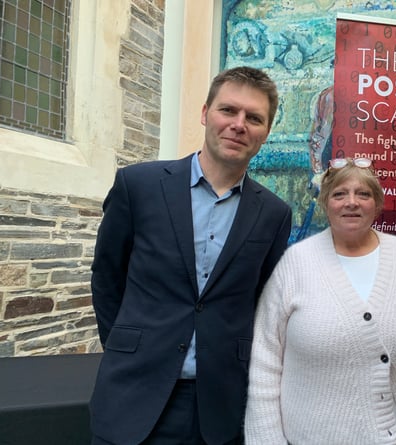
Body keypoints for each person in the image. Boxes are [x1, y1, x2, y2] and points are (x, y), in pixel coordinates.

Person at [89, 66, 292, 445]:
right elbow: (107, 278)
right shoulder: (139, 186)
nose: (238, 124)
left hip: (219, 407)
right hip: (133, 392)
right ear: (204, 113)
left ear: (266, 131)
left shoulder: (275, 214)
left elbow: (262, 301)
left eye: (254, 118)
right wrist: (129, 344)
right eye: (228, 110)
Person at [244, 157, 396, 445]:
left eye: (363, 194)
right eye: (339, 194)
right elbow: (265, 357)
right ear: (325, 203)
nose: (351, 202)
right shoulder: (296, 264)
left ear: (377, 204)